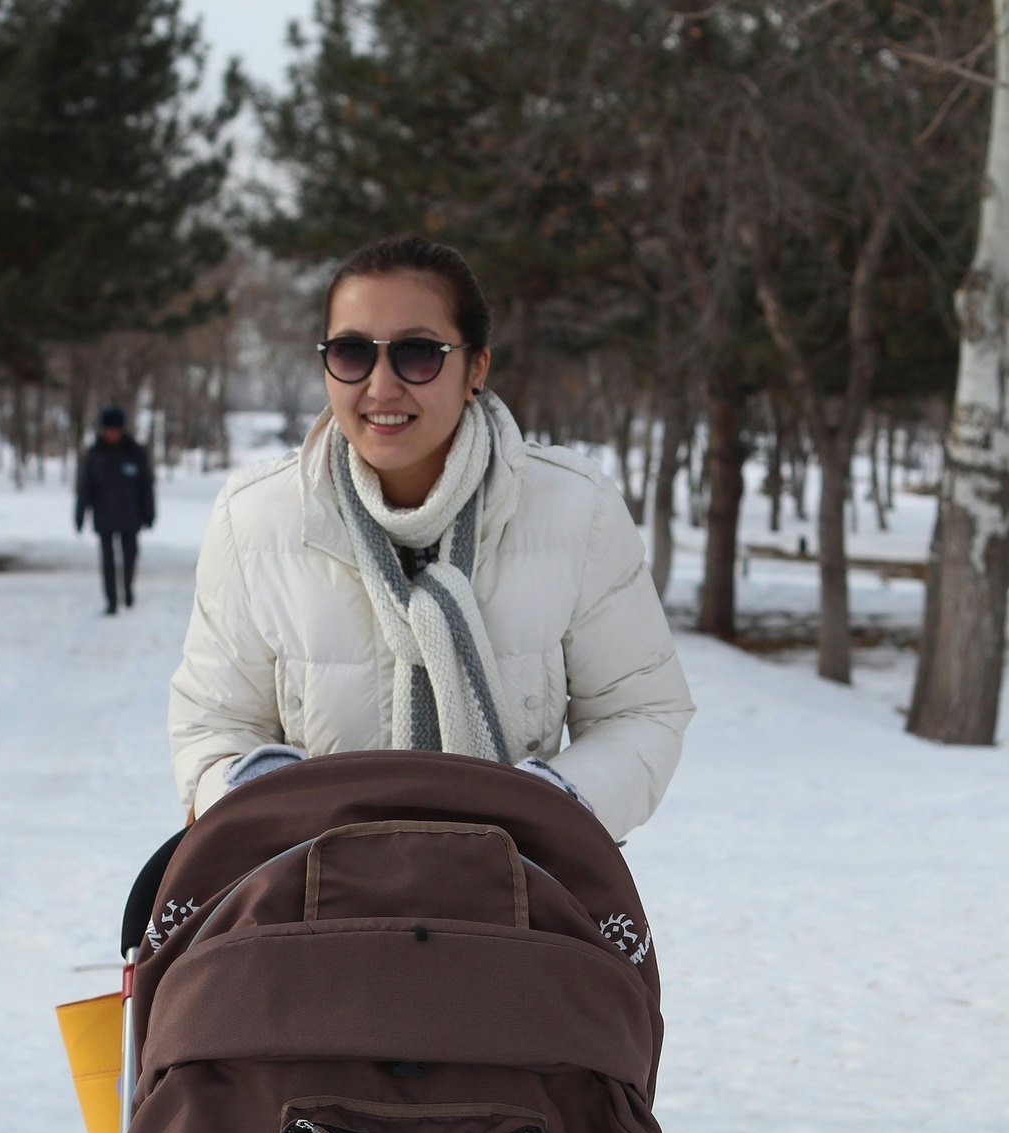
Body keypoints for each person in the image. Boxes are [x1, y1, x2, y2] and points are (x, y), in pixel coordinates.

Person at [168, 236, 694, 835]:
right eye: (351, 352)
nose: (381, 386)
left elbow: (642, 710)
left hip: (516, 896)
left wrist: (547, 809)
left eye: (417, 354)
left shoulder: (576, 512)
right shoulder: (257, 519)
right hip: (311, 899)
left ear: (476, 367)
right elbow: (213, 724)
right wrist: (274, 804)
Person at [75, 405, 156, 614]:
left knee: (130, 556)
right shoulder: (95, 453)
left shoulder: (135, 452)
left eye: (115, 429)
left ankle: (127, 588)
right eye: (108, 429)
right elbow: (85, 487)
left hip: (131, 514)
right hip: (104, 515)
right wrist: (80, 513)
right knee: (108, 560)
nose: (111, 433)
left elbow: (146, 485)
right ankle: (111, 600)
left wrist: (149, 511)